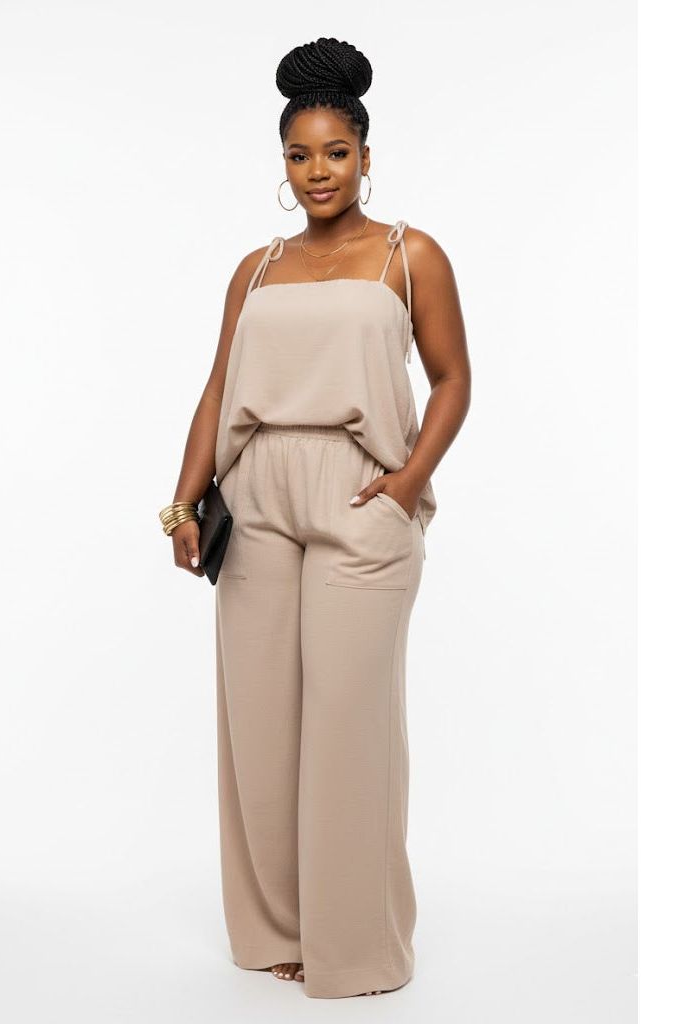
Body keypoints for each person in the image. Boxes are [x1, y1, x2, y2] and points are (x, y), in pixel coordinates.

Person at [159, 37, 471, 999]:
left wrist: (407, 481)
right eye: (300, 155)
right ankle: (276, 930)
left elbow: (454, 380)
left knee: (348, 723)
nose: (318, 171)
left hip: (359, 489)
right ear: (282, 165)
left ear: (367, 156)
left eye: (336, 152)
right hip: (255, 495)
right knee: (260, 723)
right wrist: (182, 501)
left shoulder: (409, 254)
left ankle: (356, 944)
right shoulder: (256, 269)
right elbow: (219, 389)